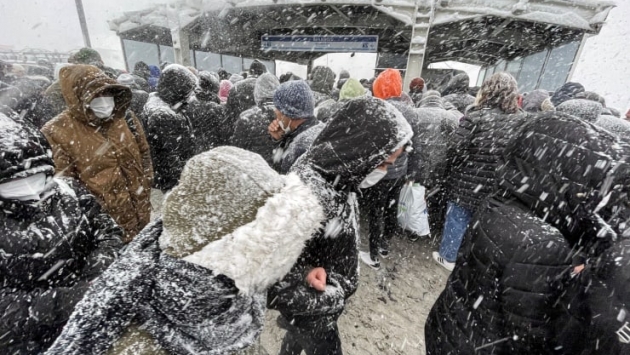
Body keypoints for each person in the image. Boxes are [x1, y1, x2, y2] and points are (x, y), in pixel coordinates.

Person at [45, 146, 325, 355]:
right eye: (270, 243)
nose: (277, 258)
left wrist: (300, 277)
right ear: (232, 245)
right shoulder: (139, 343)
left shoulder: (212, 281)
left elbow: (245, 288)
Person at [425, 112, 630, 355]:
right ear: (566, 176)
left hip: (451, 328)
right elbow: (529, 334)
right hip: (482, 344)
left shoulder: (502, 204)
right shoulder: (543, 243)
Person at [268, 96, 413, 355]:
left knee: (294, 340)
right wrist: (322, 289)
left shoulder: (339, 173)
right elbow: (270, 272)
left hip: (317, 308)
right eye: (382, 164)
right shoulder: (311, 192)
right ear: (360, 150)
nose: (381, 172)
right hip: (315, 312)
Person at [0, 113, 123, 354]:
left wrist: (99, 269)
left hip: (91, 328)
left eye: (38, 179)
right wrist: (63, 301)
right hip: (27, 343)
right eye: (11, 185)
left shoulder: (70, 191)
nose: (32, 194)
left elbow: (107, 230)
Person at [42, 64, 153, 242]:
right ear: (78, 97)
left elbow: (144, 154)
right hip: (106, 229)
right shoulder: (56, 131)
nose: (104, 100)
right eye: (95, 95)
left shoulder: (125, 117)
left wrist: (144, 186)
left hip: (141, 214)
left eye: (107, 93)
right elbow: (65, 186)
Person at [434, 72, 526, 271]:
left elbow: (455, 149)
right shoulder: (522, 122)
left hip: (466, 182)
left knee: (458, 218)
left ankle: (449, 257)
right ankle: (474, 259)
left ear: (487, 91)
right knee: (485, 225)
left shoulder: (475, 116)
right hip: (499, 186)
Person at [358, 68, 416, 269]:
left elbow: (372, 143)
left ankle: (372, 256)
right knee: (391, 208)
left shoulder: (380, 108)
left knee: (376, 211)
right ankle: (384, 244)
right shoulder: (410, 109)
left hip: (383, 171)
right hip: (400, 170)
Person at [142, 64, 197, 204]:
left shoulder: (158, 107)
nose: (190, 97)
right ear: (177, 90)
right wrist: (183, 185)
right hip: (172, 183)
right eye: (189, 92)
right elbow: (170, 156)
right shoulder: (164, 116)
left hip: (163, 178)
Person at [410, 91, 459, 235]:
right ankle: (431, 224)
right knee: (435, 195)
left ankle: (413, 226)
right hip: (440, 165)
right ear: (440, 101)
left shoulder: (415, 113)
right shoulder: (450, 116)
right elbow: (455, 142)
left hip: (417, 162)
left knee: (415, 194)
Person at [268, 80, 325, 174]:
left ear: (289, 112)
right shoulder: (314, 129)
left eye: (278, 107)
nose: (275, 111)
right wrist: (278, 139)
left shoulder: (300, 147)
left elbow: (280, 178)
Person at [230, 73, 280, 165]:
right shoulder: (288, 115)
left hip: (254, 171)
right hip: (281, 174)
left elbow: (236, 153)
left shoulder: (247, 117)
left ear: (257, 92)